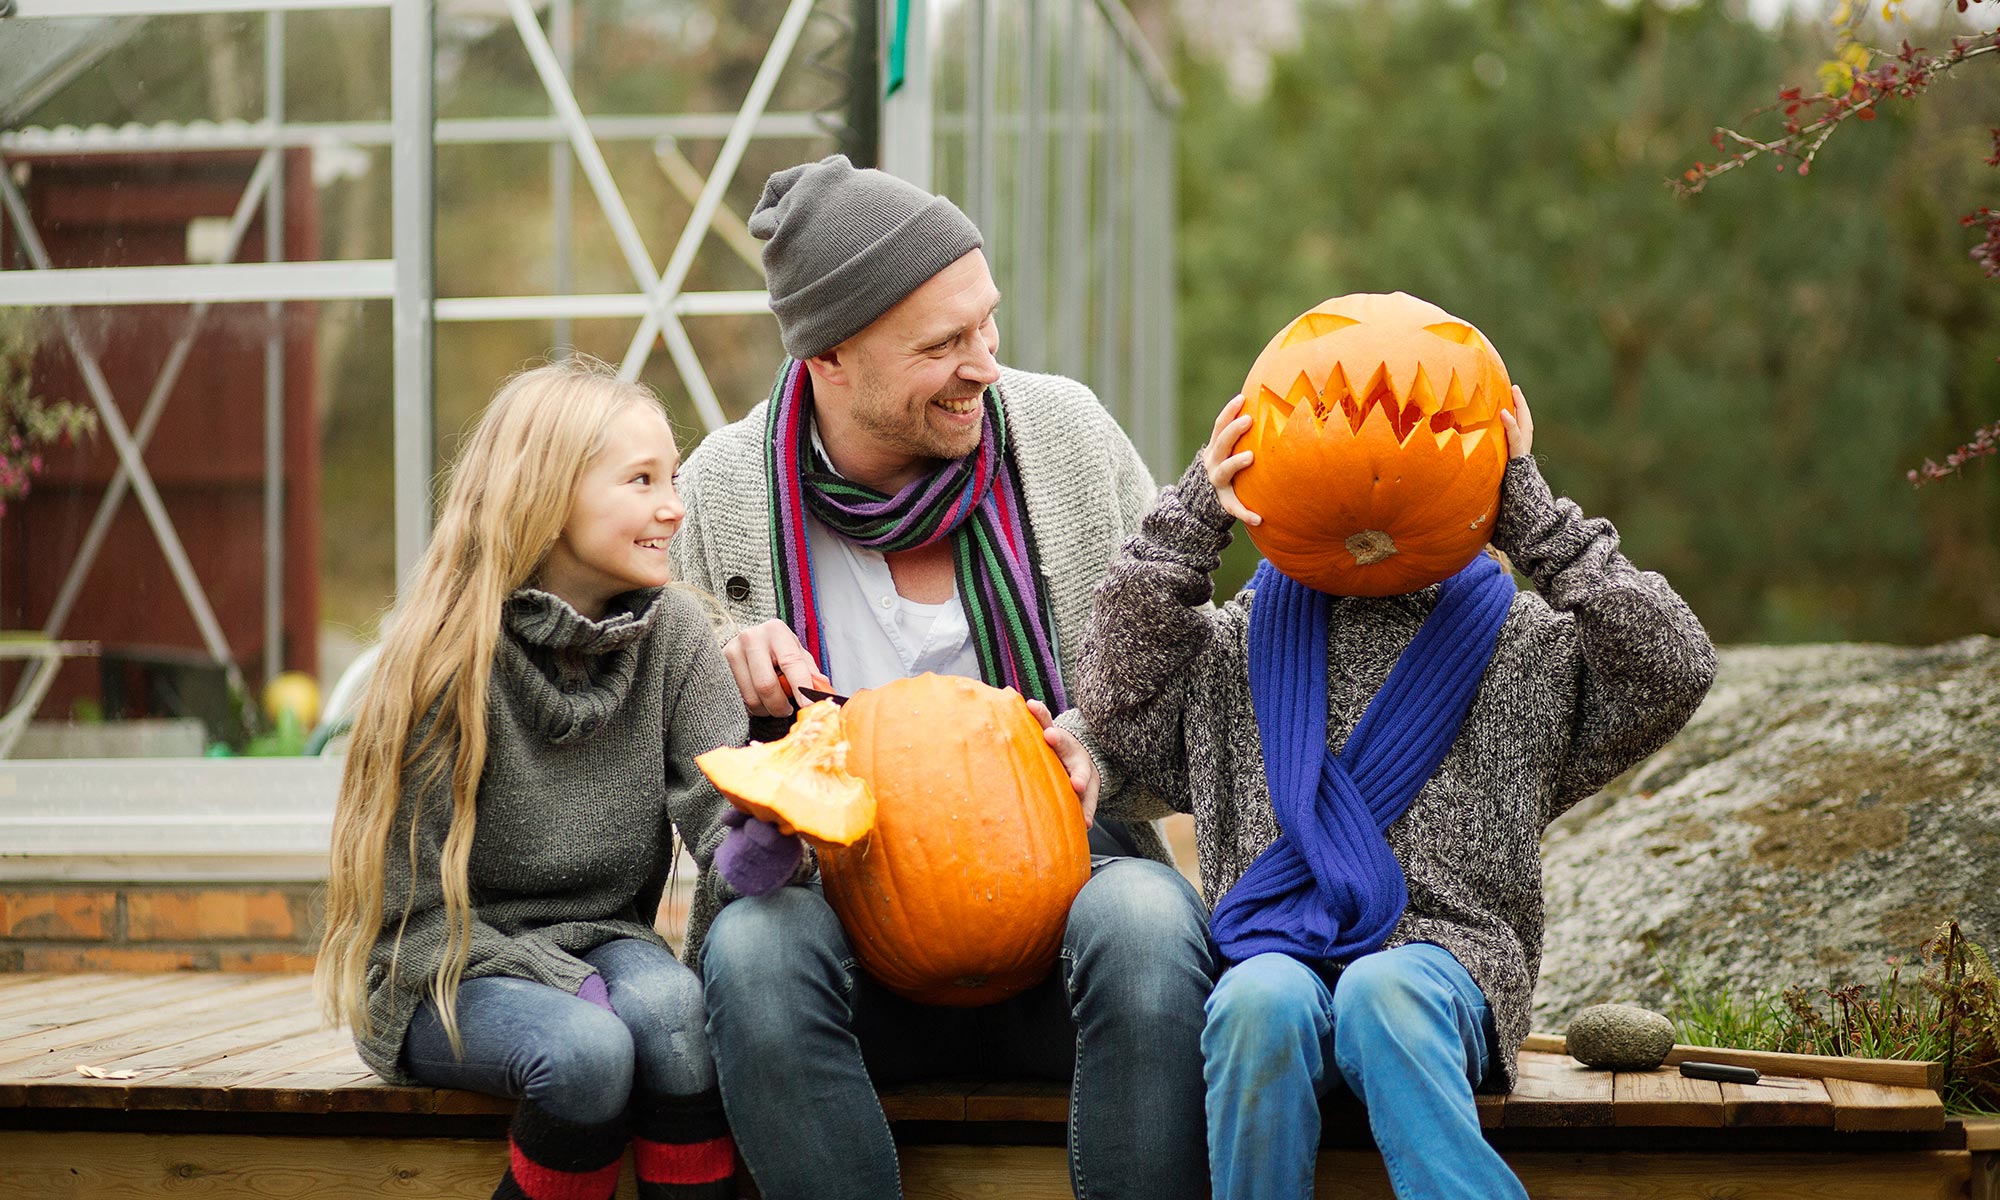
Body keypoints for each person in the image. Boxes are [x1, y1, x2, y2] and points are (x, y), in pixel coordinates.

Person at [669, 154, 1215, 1200]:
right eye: (943, 344)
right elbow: (706, 830)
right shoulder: (719, 498)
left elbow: (1185, 703)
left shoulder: (1063, 441)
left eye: (985, 323)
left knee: (1147, 919)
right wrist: (747, 735)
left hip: (1059, 918)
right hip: (847, 942)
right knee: (750, 955)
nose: (985, 364)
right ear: (830, 357)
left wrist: (1094, 751)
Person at [1075, 388, 1718, 1198]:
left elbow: (1675, 665)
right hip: (1273, 950)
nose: (1372, 466)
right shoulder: (1233, 650)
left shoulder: (1525, 653)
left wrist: (1533, 519)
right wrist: (1197, 514)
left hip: (1448, 964)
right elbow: (1115, 695)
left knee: (1387, 990)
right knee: (1254, 1004)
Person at [315, 359, 747, 1200]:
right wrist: (572, 988)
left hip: (607, 944)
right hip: (446, 967)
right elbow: (412, 918)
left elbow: (723, 816)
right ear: (549, 498)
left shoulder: (675, 638)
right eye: (641, 480)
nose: (674, 506)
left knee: (679, 1025)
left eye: (674, 477)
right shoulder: (446, 657)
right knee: (589, 1053)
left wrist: (767, 839)